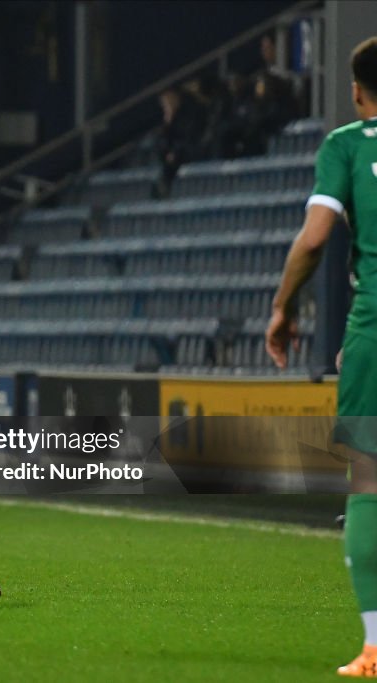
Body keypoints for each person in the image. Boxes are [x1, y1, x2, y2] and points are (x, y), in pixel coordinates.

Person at [265, 36, 377, 677]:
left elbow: (313, 241)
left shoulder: (348, 145)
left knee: (368, 483)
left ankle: (374, 645)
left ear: (359, 91)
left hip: (374, 332)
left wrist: (283, 308)